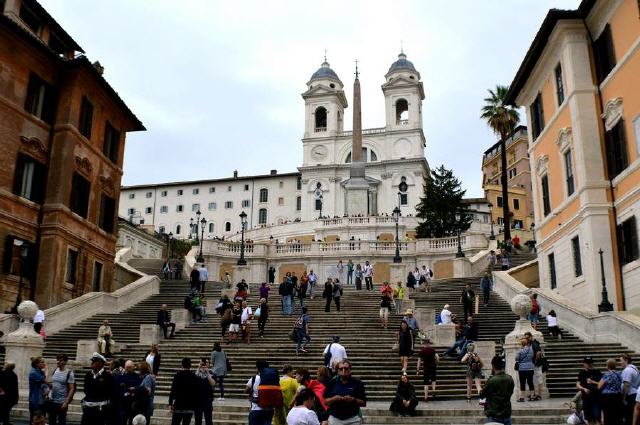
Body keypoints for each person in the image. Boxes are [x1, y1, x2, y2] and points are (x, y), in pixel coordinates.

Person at [323, 359, 367, 424]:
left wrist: (353, 399)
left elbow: (363, 403)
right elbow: (325, 401)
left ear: (350, 370)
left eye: (346, 369)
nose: (343, 371)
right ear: (338, 371)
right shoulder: (332, 383)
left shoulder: (357, 383)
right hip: (335, 419)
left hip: (352, 419)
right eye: (341, 369)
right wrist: (333, 399)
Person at [81, 353, 116, 425]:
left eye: (94, 361)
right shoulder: (88, 375)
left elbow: (112, 393)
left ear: (100, 363)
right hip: (88, 409)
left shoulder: (107, 376)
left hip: (100, 410)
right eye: (92, 361)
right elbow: (86, 389)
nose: (92, 363)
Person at [480, 356, 515, 425]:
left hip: (494, 415)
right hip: (506, 414)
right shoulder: (510, 378)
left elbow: (482, 395)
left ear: (493, 366)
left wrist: (478, 387)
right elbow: (510, 393)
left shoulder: (492, 380)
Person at [169, 358, 199, 425]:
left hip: (178, 405)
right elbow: (196, 392)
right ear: (190, 365)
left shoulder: (177, 376)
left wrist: (170, 403)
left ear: (182, 365)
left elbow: (173, 390)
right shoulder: (194, 377)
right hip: (189, 406)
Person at [48, 353, 75, 425]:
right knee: (51, 421)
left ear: (65, 362)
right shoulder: (55, 371)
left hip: (62, 402)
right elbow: (53, 384)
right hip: (52, 401)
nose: (58, 362)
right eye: (57, 360)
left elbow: (72, 388)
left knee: (61, 421)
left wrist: (66, 402)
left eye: (60, 360)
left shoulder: (69, 373)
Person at [246, 360, 275, 425]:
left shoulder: (253, 379)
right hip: (268, 409)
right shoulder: (272, 378)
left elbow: (246, 390)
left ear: (258, 368)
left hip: (256, 409)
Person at [576, 356, 602, 425]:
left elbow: (601, 384)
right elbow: (577, 385)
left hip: (596, 398)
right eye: (587, 363)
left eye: (590, 363)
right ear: (584, 364)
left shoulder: (597, 372)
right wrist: (583, 389)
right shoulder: (581, 373)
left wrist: (592, 382)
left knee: (597, 417)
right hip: (586, 398)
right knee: (588, 418)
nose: (589, 365)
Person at [597, 358, 622, 425]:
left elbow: (599, 386)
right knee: (616, 416)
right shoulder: (619, 374)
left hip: (608, 398)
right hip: (618, 396)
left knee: (608, 416)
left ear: (607, 366)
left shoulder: (607, 375)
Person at [194, 358, 215, 425]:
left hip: (207, 399)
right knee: (197, 420)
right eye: (202, 363)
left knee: (208, 420)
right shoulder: (197, 372)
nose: (204, 364)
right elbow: (193, 380)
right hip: (197, 399)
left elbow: (213, 383)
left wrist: (207, 372)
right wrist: (198, 368)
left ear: (209, 364)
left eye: (206, 363)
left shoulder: (212, 373)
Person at [514, 337, 535, 403]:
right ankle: (532, 396)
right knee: (530, 382)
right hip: (530, 367)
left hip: (522, 368)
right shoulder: (531, 349)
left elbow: (516, 358)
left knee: (522, 383)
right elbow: (532, 356)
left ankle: (522, 397)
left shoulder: (520, 350)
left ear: (521, 344)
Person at [620, 354, 639, 425]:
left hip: (630, 396)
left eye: (621, 361)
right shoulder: (634, 368)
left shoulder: (628, 370)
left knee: (628, 416)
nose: (620, 362)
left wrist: (624, 398)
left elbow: (626, 385)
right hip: (635, 394)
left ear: (626, 360)